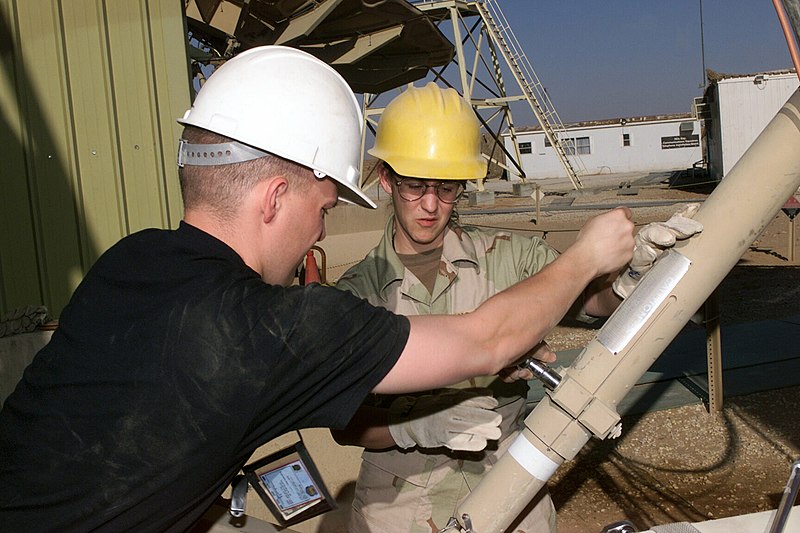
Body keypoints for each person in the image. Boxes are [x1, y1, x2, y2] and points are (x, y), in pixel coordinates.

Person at [0, 46, 636, 531]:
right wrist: (585, 257)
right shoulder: (279, 326)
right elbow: (488, 339)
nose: (320, 230)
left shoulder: (127, 263)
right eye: (326, 208)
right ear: (276, 196)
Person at [331, 83, 625, 533]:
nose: (431, 205)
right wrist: (417, 428)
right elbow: (345, 425)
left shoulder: (511, 258)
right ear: (386, 180)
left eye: (446, 188)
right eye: (414, 186)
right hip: (397, 503)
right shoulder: (358, 294)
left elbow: (589, 301)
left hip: (507, 483)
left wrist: (625, 280)